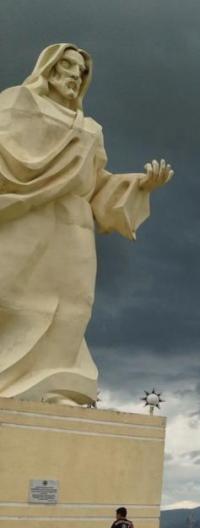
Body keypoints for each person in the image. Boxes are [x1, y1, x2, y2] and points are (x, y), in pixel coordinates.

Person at [0, 43, 173, 405]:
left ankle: (55, 386)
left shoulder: (89, 129)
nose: (75, 75)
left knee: (74, 303)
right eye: (67, 65)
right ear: (48, 67)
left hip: (73, 224)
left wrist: (141, 185)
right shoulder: (17, 103)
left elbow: (97, 184)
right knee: (12, 298)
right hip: (24, 215)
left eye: (81, 70)